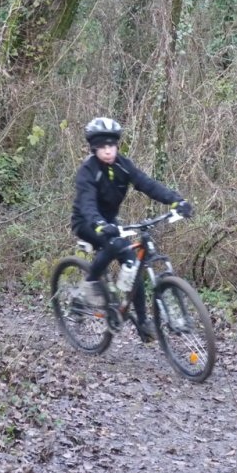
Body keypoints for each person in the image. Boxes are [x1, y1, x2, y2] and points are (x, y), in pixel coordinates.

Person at [70, 117, 193, 341]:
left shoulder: (123, 166)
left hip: (110, 222)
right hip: (87, 222)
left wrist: (176, 201)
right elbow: (87, 203)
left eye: (112, 146)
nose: (108, 151)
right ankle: (84, 291)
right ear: (94, 148)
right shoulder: (87, 171)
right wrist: (99, 224)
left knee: (134, 262)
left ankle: (143, 322)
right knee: (116, 244)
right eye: (102, 147)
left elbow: (147, 184)